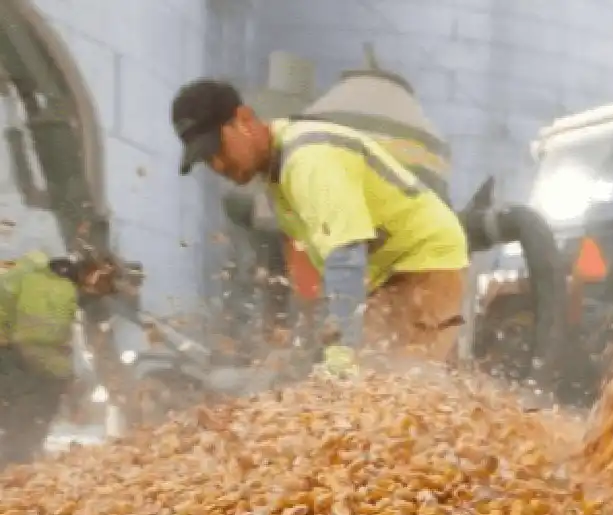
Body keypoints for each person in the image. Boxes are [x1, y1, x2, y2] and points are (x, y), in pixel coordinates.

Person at [171, 78, 471, 378]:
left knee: (402, 377)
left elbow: (346, 254)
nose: (218, 165)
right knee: (371, 376)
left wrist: (342, 350)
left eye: (219, 149)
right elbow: (319, 267)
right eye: (207, 160)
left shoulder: (308, 159)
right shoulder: (278, 175)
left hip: (424, 259)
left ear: (244, 119)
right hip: (388, 272)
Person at [0, 251, 117, 467]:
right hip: (12, 352)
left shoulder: (40, 278)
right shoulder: (57, 289)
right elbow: (36, 342)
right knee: (37, 397)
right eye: (103, 282)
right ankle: (16, 460)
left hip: (11, 348)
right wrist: (66, 375)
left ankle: (18, 454)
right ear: (92, 273)